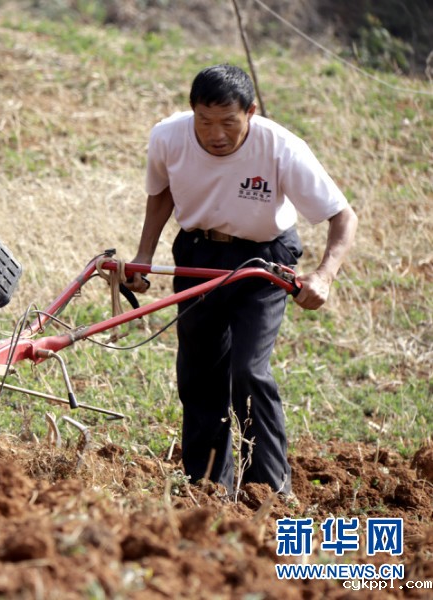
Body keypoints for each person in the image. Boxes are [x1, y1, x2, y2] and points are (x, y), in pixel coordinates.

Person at [126, 64, 357, 495]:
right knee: (199, 373)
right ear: (191, 111)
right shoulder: (168, 137)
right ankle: (207, 486)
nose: (216, 134)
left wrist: (325, 275)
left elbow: (343, 216)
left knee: (249, 371)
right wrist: (144, 255)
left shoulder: (281, 147)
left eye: (228, 122)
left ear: (250, 112)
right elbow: (161, 193)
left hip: (263, 260)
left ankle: (268, 490)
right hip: (198, 253)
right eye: (205, 121)